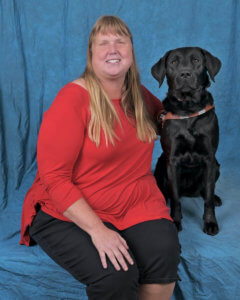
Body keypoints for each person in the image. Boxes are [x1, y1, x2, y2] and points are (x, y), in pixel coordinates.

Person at [20, 15, 180, 300]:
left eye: (120, 41)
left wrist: (186, 119)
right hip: (68, 211)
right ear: (91, 54)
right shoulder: (72, 100)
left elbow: (165, 119)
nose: (113, 49)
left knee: (163, 256)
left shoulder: (140, 97)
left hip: (135, 201)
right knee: (116, 274)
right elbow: (54, 179)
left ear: (131, 51)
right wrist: (97, 231)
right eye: (103, 43)